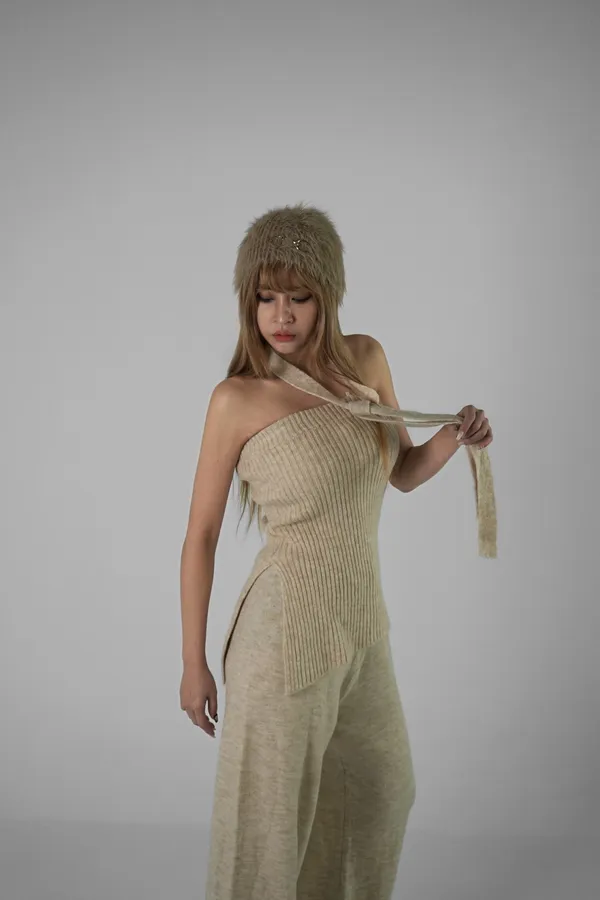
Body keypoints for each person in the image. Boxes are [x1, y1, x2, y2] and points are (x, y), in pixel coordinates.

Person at [179, 203, 495, 900]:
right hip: (281, 638)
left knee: (382, 790)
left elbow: (401, 471)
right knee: (266, 831)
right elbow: (200, 536)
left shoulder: (366, 360)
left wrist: (456, 436)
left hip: (361, 627)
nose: (281, 315)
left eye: (299, 297)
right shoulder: (237, 398)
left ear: (328, 295)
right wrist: (192, 662)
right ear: (248, 300)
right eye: (266, 297)